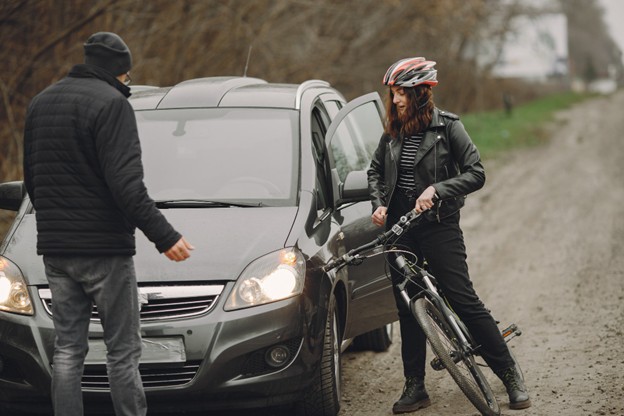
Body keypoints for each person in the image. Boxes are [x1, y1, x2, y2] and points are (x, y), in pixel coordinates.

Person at [23, 32, 194, 416]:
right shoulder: (113, 105)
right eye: (127, 77)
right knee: (123, 352)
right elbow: (126, 184)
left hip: (56, 250)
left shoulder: (40, 103)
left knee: (67, 350)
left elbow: (33, 180)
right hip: (105, 252)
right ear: (120, 73)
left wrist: (57, 224)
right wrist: (165, 236)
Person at [367, 57, 530, 414]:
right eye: (393, 94)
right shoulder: (392, 133)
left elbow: (476, 173)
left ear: (421, 93)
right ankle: (415, 387)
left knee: (462, 298)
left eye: (402, 94)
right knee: (408, 309)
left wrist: (438, 189)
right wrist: (379, 204)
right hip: (400, 232)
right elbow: (375, 171)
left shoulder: (448, 127)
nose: (395, 101)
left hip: (439, 226)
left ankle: (509, 374)